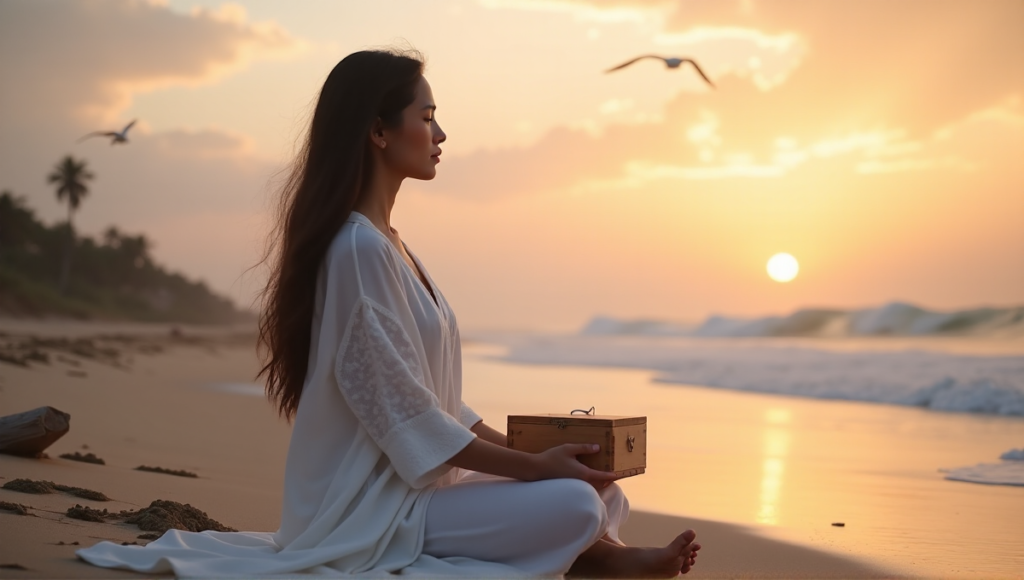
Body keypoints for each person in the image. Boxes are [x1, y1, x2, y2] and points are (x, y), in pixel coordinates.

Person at [76, 48, 700, 578]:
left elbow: (436, 404)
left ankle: (600, 556)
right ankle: (595, 558)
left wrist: (526, 451)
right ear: (379, 131)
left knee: (597, 490)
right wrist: (533, 468)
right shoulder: (355, 249)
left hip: (424, 491)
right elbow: (404, 413)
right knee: (572, 505)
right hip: (371, 508)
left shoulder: (391, 245)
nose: (441, 135)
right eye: (427, 118)